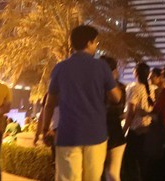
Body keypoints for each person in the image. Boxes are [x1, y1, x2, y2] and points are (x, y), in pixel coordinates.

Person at [40, 24, 122, 181]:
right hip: (96, 135)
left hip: (68, 135)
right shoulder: (102, 67)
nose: (96, 46)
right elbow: (116, 97)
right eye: (95, 42)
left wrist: (45, 130)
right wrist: (112, 80)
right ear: (89, 43)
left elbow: (49, 104)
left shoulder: (60, 68)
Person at [123, 62, 157, 181]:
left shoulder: (134, 88)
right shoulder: (153, 89)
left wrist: (124, 130)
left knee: (129, 163)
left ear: (135, 73)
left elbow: (131, 112)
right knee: (145, 164)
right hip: (149, 131)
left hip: (136, 131)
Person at [101, 55, 126, 181]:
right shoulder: (120, 87)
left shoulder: (119, 89)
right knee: (105, 174)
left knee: (111, 174)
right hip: (105, 135)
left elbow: (118, 108)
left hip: (113, 135)